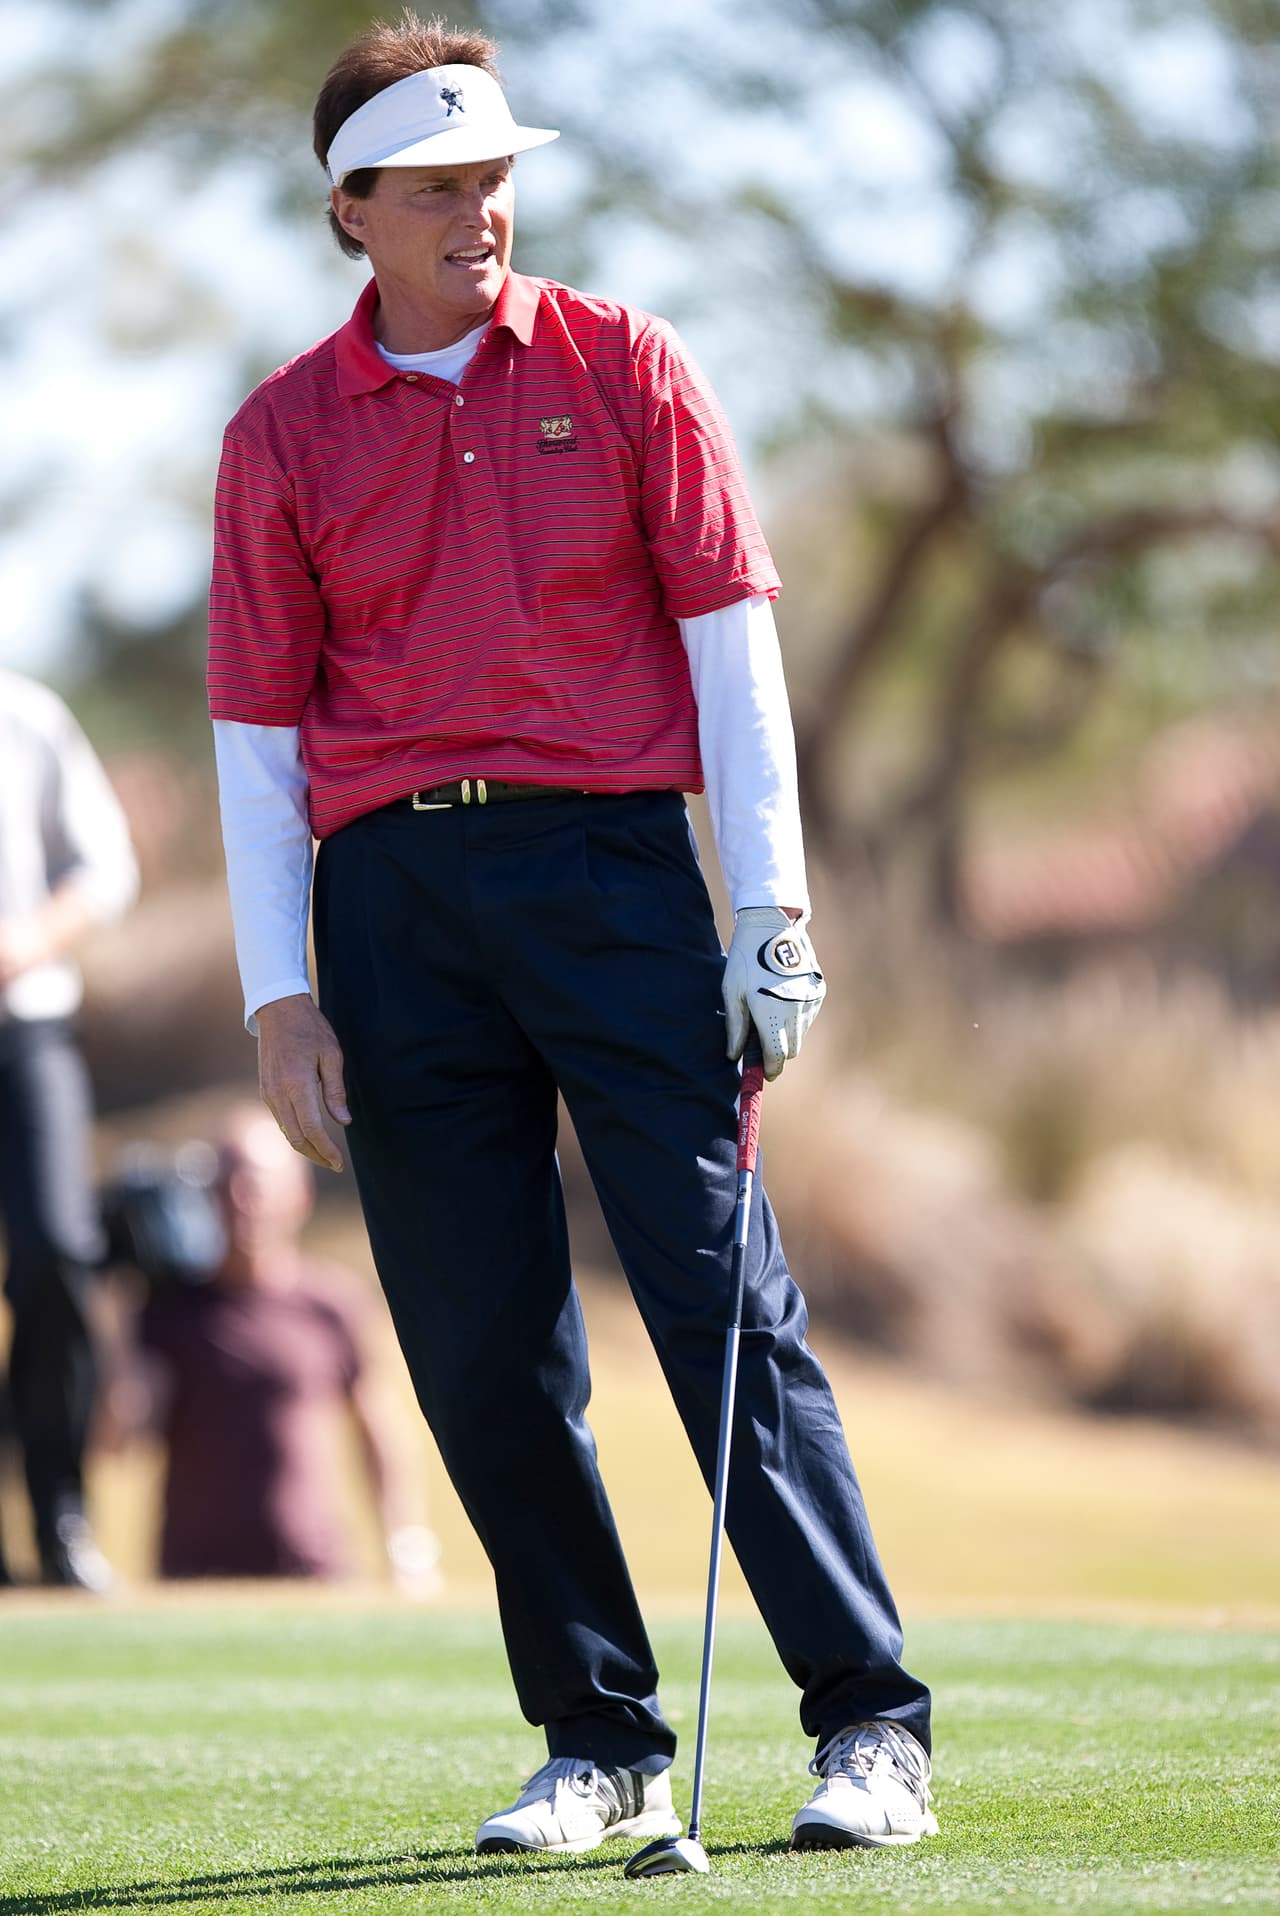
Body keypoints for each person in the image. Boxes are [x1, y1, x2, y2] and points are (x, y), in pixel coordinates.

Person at [208, 11, 935, 1855]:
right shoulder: (281, 433)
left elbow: (730, 651)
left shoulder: (624, 366)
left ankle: (870, 1723)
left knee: (718, 1300)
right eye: (441, 187)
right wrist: (280, 993)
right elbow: (258, 740)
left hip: (611, 879)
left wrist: (768, 909)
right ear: (353, 209)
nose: (482, 215)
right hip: (392, 911)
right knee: (476, 1342)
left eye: (498, 180)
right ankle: (598, 1737)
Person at [127, 1105, 441, 1590]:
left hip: (315, 1573)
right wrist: (119, 1308)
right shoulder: (169, 1308)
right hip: (194, 1579)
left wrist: (406, 1546)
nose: (239, 1200)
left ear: (298, 1196)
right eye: (224, 1183)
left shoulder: (331, 1304)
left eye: (254, 1183)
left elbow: (377, 1428)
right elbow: (121, 1438)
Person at [0, 668, 138, 1590]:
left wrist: (24, 945)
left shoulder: (26, 711)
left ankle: (59, 1521)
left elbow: (105, 869)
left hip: (26, 1026)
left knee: (57, 1252)